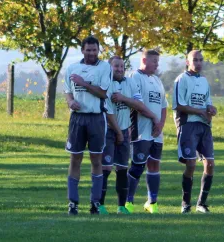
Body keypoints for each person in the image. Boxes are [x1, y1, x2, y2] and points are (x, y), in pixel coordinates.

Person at [101, 56, 159, 214]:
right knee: (105, 168)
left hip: (125, 130)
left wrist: (123, 99)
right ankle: (99, 205)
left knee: (121, 168)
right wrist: (119, 133)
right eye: (116, 66)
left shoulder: (129, 82)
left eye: (121, 66)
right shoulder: (104, 84)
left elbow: (139, 104)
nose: (119, 69)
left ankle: (121, 207)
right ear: (109, 68)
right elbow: (108, 113)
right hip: (108, 131)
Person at [64, 36, 112, 215]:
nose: (92, 53)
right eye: (88, 50)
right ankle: (73, 202)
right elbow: (68, 92)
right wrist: (70, 102)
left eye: (95, 50)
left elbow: (102, 93)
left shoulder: (104, 67)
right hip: (77, 119)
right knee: (75, 159)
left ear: (98, 50)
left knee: (96, 160)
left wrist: (83, 83)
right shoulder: (72, 68)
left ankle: (95, 202)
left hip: (96, 119)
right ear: (82, 50)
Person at [172, 50, 217, 213]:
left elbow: (207, 103)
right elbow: (179, 105)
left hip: (204, 126)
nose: (198, 63)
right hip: (188, 125)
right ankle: (185, 203)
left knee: (210, 164)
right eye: (195, 60)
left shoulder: (204, 81)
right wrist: (200, 112)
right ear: (187, 62)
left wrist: (211, 109)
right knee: (190, 165)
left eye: (200, 60)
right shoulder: (181, 80)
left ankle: (201, 204)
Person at [126, 49, 167, 214]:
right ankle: (127, 202)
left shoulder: (157, 80)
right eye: (154, 61)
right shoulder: (134, 77)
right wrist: (154, 120)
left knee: (154, 164)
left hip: (156, 131)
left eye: (158, 61)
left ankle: (152, 202)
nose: (157, 64)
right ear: (144, 60)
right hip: (140, 130)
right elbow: (138, 105)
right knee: (137, 166)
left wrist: (161, 124)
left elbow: (164, 105)